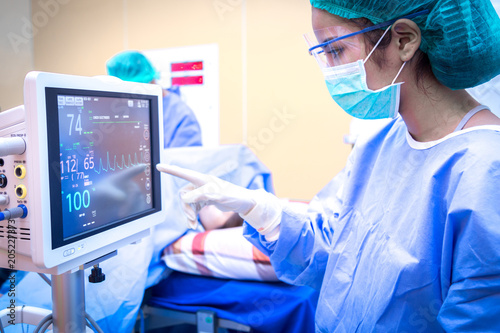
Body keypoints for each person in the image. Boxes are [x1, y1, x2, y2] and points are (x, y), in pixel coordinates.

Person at [157, 0, 500, 331]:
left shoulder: (487, 170)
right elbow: (334, 247)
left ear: (404, 40)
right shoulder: (381, 141)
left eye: (335, 50)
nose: (331, 71)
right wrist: (259, 209)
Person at [106, 50, 203, 148]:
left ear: (150, 80)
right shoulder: (127, 110)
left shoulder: (181, 115)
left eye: (134, 89)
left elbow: (184, 159)